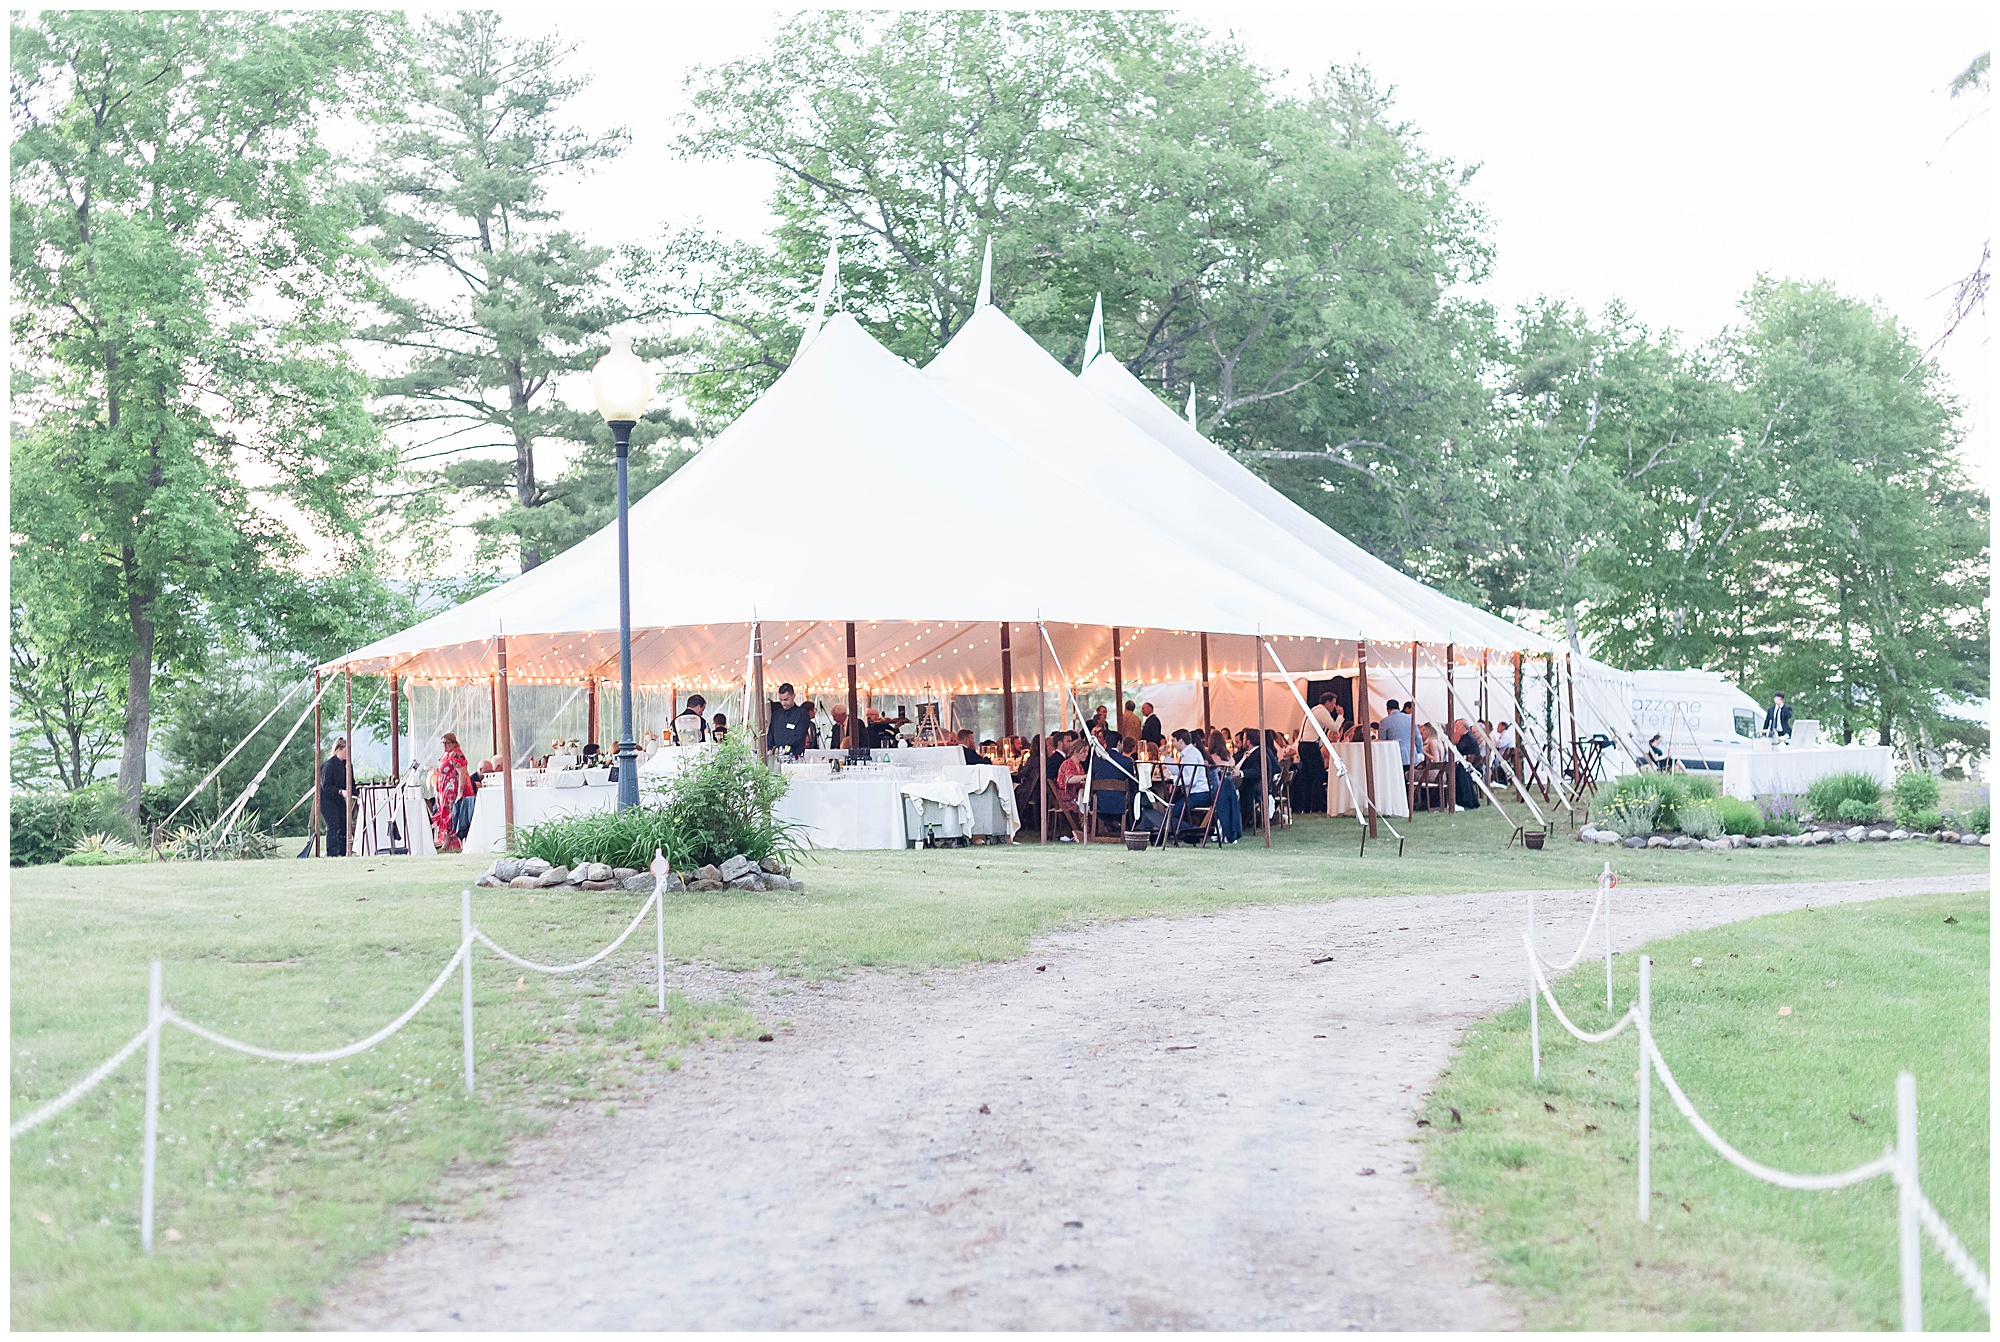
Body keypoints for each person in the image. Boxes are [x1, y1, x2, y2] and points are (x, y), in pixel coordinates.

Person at [432, 732, 471, 854]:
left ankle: (451, 842)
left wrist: (460, 791)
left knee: (452, 815)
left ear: (453, 743)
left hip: (452, 790)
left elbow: (462, 772)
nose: (444, 745)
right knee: (444, 814)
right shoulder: (445, 755)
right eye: (442, 743)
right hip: (443, 790)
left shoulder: (456, 754)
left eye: (447, 743)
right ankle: (446, 841)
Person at [1088, 732, 1136, 829]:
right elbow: (1132, 785)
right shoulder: (1126, 761)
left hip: (1100, 802)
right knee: (1137, 796)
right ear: (1119, 743)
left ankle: (1111, 824)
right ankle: (1130, 826)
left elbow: (1091, 781)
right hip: (1120, 802)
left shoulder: (1096, 760)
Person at [318, 736, 352, 857]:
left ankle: (343, 851)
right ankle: (331, 852)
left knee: (344, 822)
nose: (347, 753)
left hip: (338, 799)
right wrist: (340, 791)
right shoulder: (329, 765)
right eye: (345, 751)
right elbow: (325, 786)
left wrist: (358, 795)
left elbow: (351, 783)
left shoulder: (347, 765)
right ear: (338, 750)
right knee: (333, 825)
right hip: (327, 799)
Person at [766, 682, 811, 757]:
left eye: (786, 699)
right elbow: (771, 734)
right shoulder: (776, 715)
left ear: (793, 696)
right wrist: (770, 748)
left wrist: (783, 747)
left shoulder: (802, 714)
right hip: (776, 755)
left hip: (794, 755)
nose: (783, 703)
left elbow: (799, 736)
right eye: (781, 700)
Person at [1450, 719, 1483, 809]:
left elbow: (1458, 749)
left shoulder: (1467, 738)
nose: (1455, 730)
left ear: (1462, 728)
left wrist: (1455, 738)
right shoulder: (1468, 737)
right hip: (1469, 766)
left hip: (1471, 768)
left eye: (1456, 728)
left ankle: (1464, 800)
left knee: (1456, 773)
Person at [1378, 699, 1416, 771]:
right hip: (1410, 754)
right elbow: (1417, 737)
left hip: (1394, 756)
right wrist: (1420, 752)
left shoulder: (1384, 722)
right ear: (1398, 708)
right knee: (1409, 778)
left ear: (1387, 709)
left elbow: (1382, 741)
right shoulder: (1410, 718)